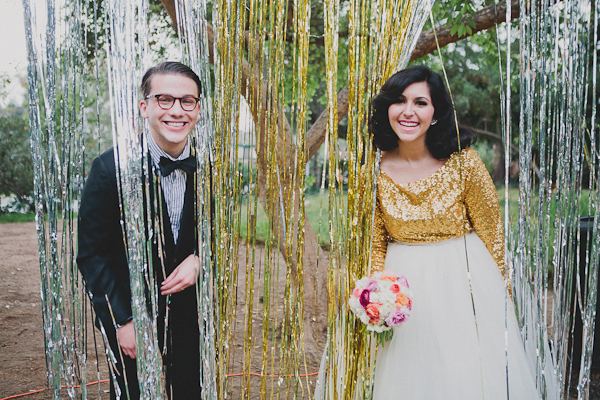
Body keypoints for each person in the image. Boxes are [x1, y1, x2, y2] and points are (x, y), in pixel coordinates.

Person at [368, 65, 540, 399]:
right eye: (399, 101)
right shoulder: (372, 170)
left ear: (435, 113)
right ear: (387, 108)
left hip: (463, 283)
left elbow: (492, 235)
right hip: (402, 290)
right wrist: (376, 299)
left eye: (420, 102)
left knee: (464, 375)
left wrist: (501, 302)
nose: (408, 111)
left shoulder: (464, 163)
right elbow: (376, 243)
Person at [77, 61, 204, 399]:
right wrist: (122, 320)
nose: (176, 110)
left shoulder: (211, 167)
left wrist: (199, 257)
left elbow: (218, 231)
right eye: (165, 99)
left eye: (186, 101)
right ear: (144, 107)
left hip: (196, 317)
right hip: (134, 316)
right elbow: (91, 255)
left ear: (198, 109)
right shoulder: (109, 169)